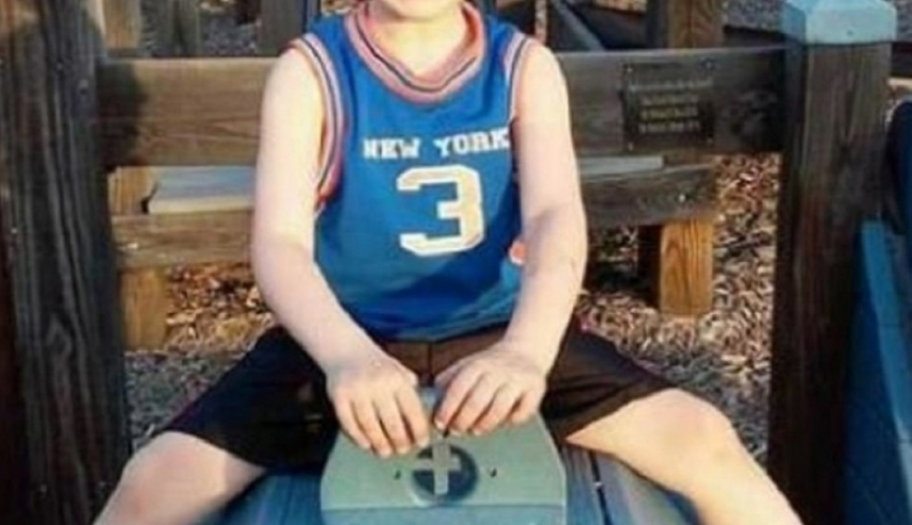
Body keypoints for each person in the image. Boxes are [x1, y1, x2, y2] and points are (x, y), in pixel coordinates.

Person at [93, 0, 803, 523]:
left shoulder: (521, 67)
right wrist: (345, 356)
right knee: (154, 483)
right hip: (352, 339)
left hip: (495, 332)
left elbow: (555, 217)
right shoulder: (312, 73)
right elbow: (279, 242)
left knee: (703, 440)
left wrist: (527, 350)